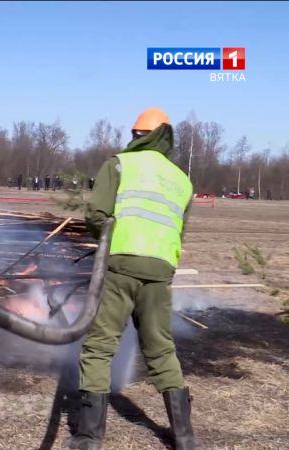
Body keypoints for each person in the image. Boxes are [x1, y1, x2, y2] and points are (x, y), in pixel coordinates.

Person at [64, 108, 196, 450]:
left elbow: (97, 215)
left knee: (99, 346)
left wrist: (104, 238)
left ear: (142, 136)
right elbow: (180, 230)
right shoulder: (182, 180)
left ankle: (89, 436)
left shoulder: (120, 164)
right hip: (160, 271)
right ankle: (184, 437)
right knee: (161, 349)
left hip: (120, 266)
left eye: (137, 134)